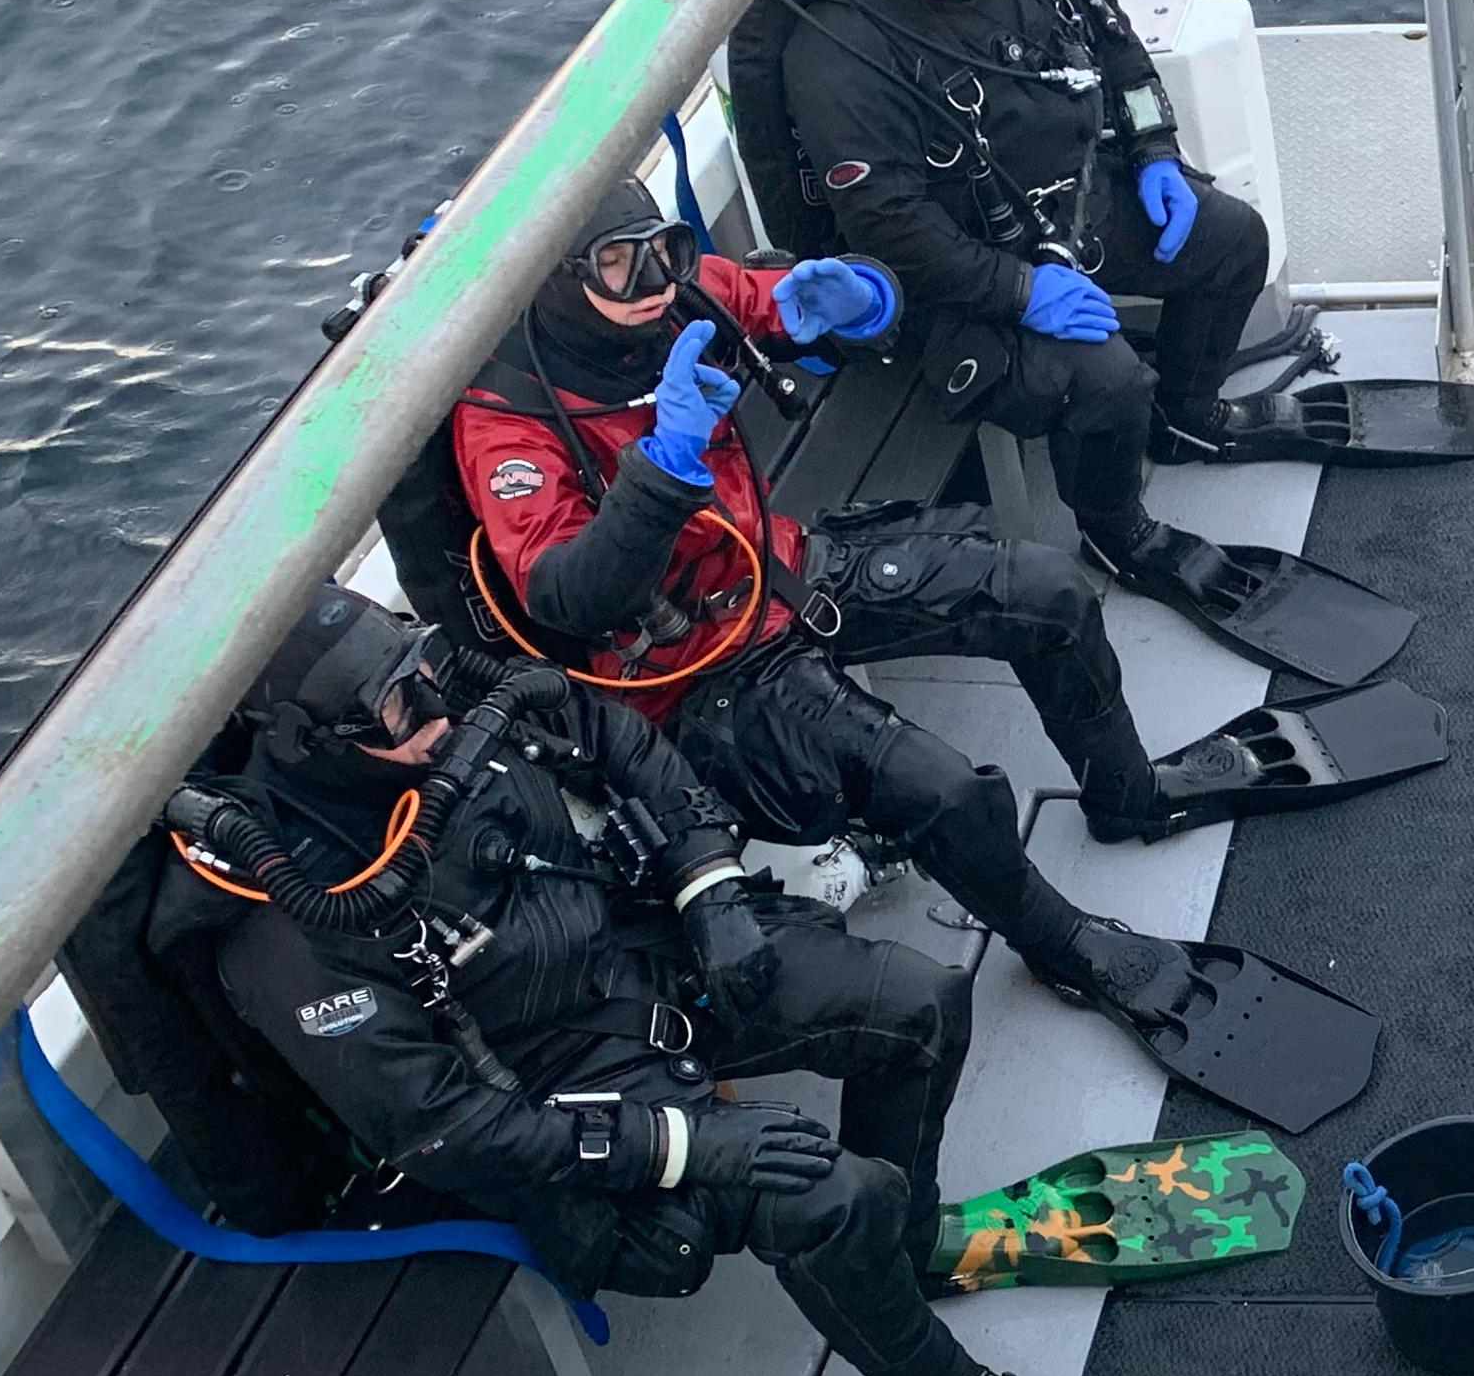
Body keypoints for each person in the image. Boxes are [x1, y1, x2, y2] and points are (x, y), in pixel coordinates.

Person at [175, 588, 1313, 1376]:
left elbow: (619, 736)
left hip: (644, 963)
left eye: (423, 672)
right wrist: (680, 1140)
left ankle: (914, 1245)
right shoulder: (285, 925)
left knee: (915, 1002)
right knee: (823, 1191)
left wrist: (708, 887)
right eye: (392, 705)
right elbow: (445, 1129)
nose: (430, 708)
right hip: (547, 1104)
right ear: (308, 739)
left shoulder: (457, 724)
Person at [446, 174, 1244, 1031]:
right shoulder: (508, 424)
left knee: (1046, 593)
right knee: (945, 791)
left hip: (779, 567)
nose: (650, 284)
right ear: (560, 278)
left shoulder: (680, 294)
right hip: (693, 667)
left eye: (664, 255)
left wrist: (859, 294)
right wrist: (665, 462)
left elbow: (787, 301)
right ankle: (1063, 946)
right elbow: (569, 596)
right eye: (617, 266)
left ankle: (1128, 794)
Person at [772, 0, 1275, 567]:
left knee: (1235, 242)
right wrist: (1017, 289)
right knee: (1109, 384)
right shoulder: (836, 53)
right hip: (954, 279)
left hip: (1073, 206)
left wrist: (1154, 151)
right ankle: (1115, 532)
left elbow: (1114, 46)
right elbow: (887, 225)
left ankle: (1188, 416)